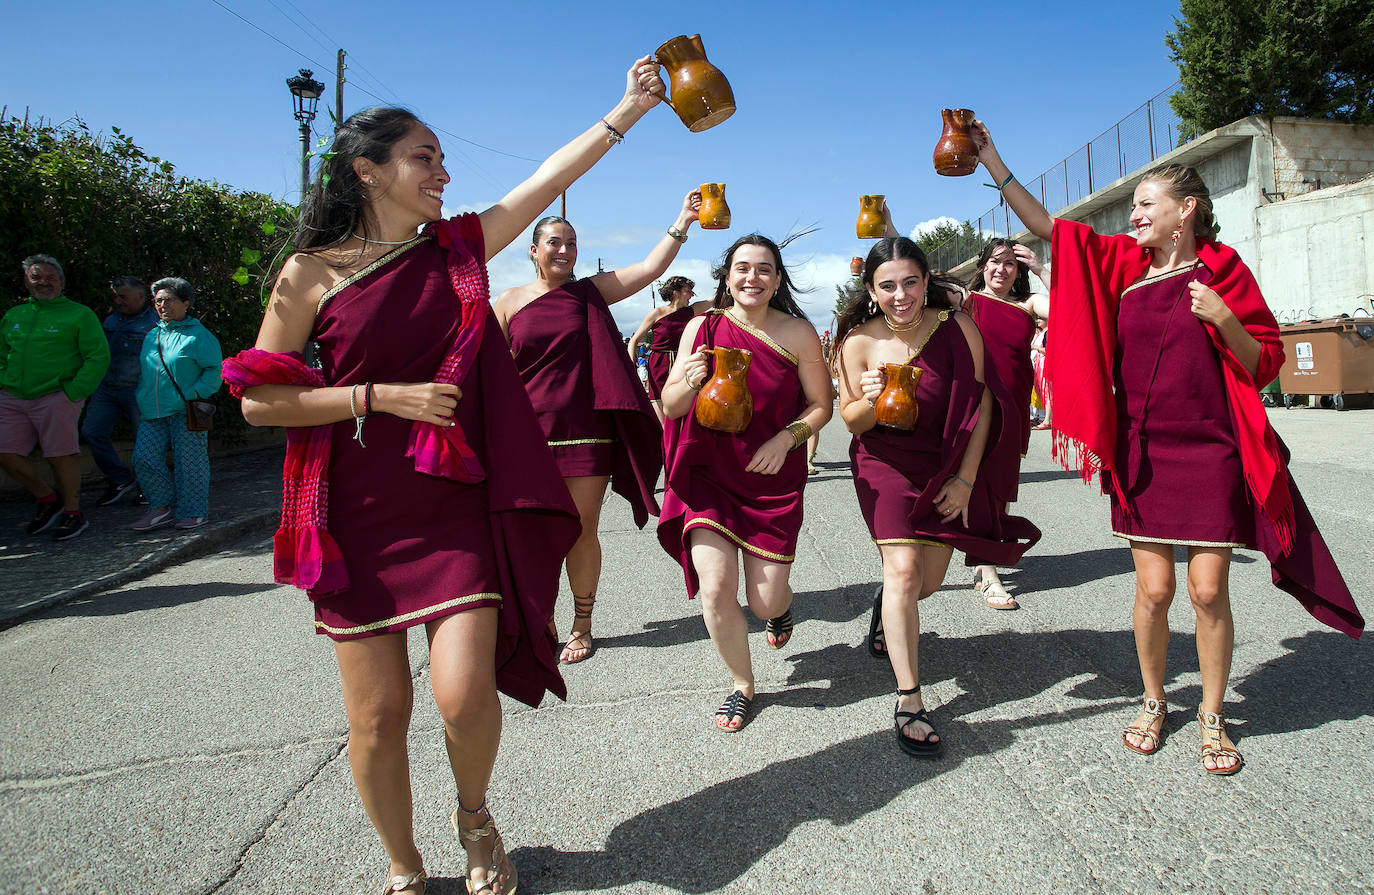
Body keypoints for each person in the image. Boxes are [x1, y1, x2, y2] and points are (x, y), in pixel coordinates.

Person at [224, 57, 668, 895]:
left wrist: (629, 108)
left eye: (440, 157)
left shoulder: (456, 249)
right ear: (369, 171)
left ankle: (474, 814)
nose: (443, 171)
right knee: (378, 716)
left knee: (464, 696)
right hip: (353, 512)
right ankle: (402, 861)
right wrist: (378, 395)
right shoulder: (307, 275)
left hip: (455, 500)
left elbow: (544, 182)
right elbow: (258, 405)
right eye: (424, 157)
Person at [973, 121, 1363, 775]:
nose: (1134, 216)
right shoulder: (1124, 265)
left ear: (1187, 211)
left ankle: (1212, 716)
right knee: (1154, 590)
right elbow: (1049, 228)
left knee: (1208, 591)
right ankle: (1154, 699)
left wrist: (1225, 319)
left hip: (1210, 453)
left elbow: (1264, 361)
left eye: (1145, 205)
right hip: (1144, 454)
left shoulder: (1224, 271)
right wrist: (993, 159)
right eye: (1133, 208)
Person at [835, 237, 1039, 757]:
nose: (900, 295)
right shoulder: (856, 342)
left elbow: (983, 403)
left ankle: (886, 606)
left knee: (925, 584)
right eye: (887, 286)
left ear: (927, 283)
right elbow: (853, 421)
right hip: (883, 465)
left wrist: (966, 479)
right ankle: (909, 699)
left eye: (910, 283)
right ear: (870, 290)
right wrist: (871, 394)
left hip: (945, 465)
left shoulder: (958, 328)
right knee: (904, 571)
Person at [493, 193, 699, 664]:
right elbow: (491, 372)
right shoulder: (506, 302)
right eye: (554, 243)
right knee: (534, 533)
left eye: (572, 243)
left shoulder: (587, 292)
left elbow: (648, 269)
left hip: (585, 434)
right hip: (527, 439)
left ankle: (581, 625)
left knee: (581, 531)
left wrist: (682, 220)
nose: (564, 251)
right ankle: (540, 617)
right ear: (533, 249)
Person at [657, 234, 833, 732]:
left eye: (763, 269)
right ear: (726, 276)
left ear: (777, 279)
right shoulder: (701, 327)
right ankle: (742, 684)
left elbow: (822, 406)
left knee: (764, 600)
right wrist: (688, 380)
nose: (751, 277)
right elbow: (670, 407)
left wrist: (785, 440)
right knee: (715, 589)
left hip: (770, 478)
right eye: (741, 268)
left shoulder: (797, 332)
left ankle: (780, 611)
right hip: (708, 475)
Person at [961, 238, 1051, 610]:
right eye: (995, 262)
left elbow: (1070, 312)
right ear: (983, 265)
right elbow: (917, 277)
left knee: (1000, 488)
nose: (1002, 269)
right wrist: (888, 230)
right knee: (979, 483)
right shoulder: (966, 301)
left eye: (1011, 264)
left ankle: (985, 555)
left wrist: (1042, 270)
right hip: (975, 405)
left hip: (1013, 409)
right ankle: (989, 567)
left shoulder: (1028, 305)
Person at [0, 254, 109, 541]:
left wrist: (72, 393)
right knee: (5, 453)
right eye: (36, 277)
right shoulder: (14, 315)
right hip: (11, 396)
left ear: (61, 281)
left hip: (56, 396)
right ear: (26, 280)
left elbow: (97, 357)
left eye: (50, 277)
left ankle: (73, 512)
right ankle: (47, 499)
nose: (43, 283)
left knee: (59, 455)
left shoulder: (79, 314)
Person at [130, 278, 222, 531]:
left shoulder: (199, 336)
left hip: (186, 410)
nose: (162, 305)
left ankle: (194, 511)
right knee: (143, 457)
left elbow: (215, 370)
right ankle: (160, 507)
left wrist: (194, 393)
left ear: (186, 303)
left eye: (168, 299)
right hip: (152, 411)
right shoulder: (152, 335)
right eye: (158, 300)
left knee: (190, 462)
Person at [83, 275, 158, 506]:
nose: (118, 302)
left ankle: (149, 488)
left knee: (144, 443)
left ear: (140, 296)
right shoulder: (111, 321)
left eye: (123, 297)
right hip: (107, 388)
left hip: (137, 390)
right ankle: (119, 479)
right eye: (115, 297)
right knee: (92, 431)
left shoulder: (155, 323)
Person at [627, 274, 710, 424]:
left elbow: (715, 300)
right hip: (659, 364)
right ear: (675, 293)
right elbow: (634, 340)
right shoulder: (657, 313)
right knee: (662, 419)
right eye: (688, 291)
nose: (692, 295)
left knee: (686, 408)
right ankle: (664, 445)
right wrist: (629, 366)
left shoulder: (691, 310)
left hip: (683, 363)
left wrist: (728, 283)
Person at [1031, 320, 1051, 430]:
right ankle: (1043, 417)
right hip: (1039, 364)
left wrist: (1034, 347)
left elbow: (1048, 350)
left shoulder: (1048, 332)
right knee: (1042, 392)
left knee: (1047, 391)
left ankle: (1047, 419)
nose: (1037, 320)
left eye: (1040, 317)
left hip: (1045, 365)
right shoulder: (1043, 332)